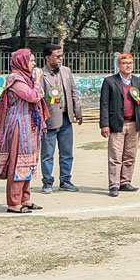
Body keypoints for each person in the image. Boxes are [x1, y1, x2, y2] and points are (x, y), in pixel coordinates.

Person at [0, 49, 47, 213]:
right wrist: (37, 81)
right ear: (21, 62)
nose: (34, 64)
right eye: (31, 61)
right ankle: (14, 202)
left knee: (29, 161)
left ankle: (25, 198)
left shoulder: (25, 78)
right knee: (17, 162)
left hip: (29, 125)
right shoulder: (15, 79)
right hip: (18, 125)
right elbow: (33, 96)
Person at [100, 54, 140, 197]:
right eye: (124, 63)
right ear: (118, 66)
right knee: (115, 156)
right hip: (116, 124)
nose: (128, 66)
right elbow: (104, 104)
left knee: (130, 155)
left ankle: (125, 182)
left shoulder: (138, 82)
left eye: (130, 63)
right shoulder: (110, 81)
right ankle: (114, 185)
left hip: (134, 124)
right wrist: (104, 124)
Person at [39, 44, 82, 194]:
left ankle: (65, 180)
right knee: (47, 154)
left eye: (61, 56)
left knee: (67, 153)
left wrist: (78, 111)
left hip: (66, 118)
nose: (60, 59)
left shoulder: (66, 71)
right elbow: (37, 97)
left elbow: (73, 92)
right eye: (57, 56)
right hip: (49, 120)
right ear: (48, 57)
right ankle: (47, 182)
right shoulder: (40, 75)